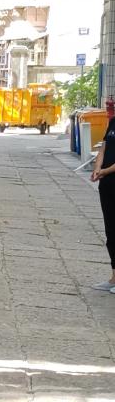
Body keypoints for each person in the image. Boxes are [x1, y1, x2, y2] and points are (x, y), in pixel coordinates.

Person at [91, 112, 115, 291]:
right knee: (111, 231)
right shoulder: (113, 122)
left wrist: (105, 171)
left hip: (110, 176)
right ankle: (114, 278)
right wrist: (98, 167)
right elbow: (103, 148)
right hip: (107, 185)